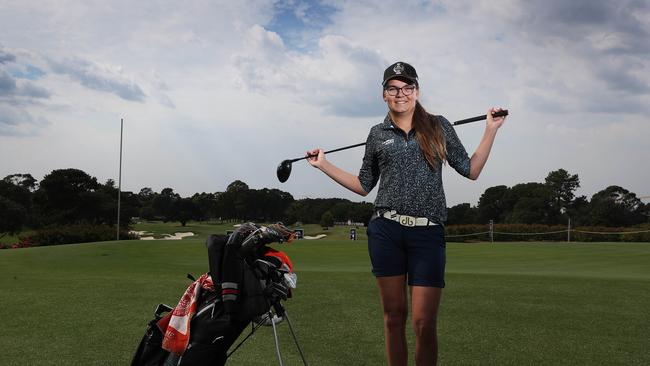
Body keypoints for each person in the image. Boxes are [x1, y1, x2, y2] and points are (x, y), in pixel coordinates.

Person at [306, 61, 506, 366]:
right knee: (394, 318)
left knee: (424, 323)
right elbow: (363, 185)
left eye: (407, 87)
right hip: (386, 230)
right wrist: (324, 165)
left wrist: (490, 131)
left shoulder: (438, 126)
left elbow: (471, 170)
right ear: (384, 94)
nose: (401, 93)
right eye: (393, 88)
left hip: (428, 232)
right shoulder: (376, 134)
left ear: (417, 91)